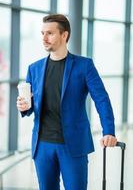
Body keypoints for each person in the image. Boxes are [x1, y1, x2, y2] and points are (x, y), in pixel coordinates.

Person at [16, 14, 117, 190]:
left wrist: (109, 131)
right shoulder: (34, 68)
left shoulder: (84, 66)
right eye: (42, 33)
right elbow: (31, 105)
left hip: (73, 145)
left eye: (50, 33)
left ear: (64, 35)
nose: (44, 38)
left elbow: (101, 99)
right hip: (43, 146)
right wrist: (24, 107)